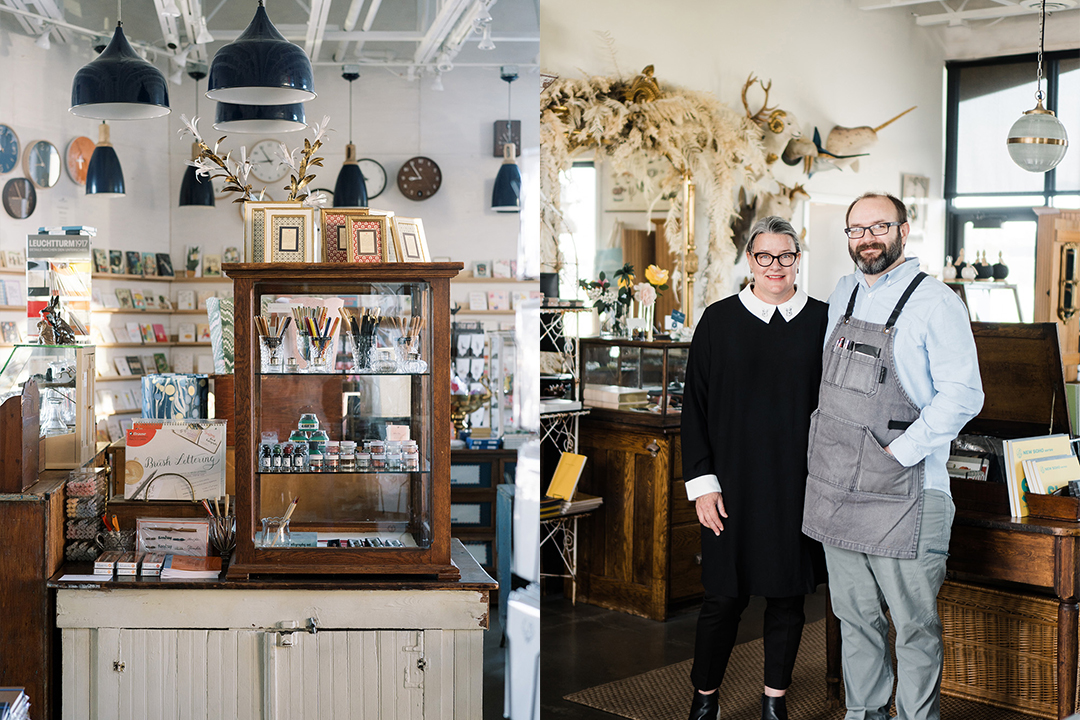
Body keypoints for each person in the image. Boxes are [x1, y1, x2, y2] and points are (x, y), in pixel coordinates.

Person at [802, 192, 984, 720]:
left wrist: (898, 452)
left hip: (908, 495)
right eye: (856, 229)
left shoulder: (937, 302)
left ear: (905, 231)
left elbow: (963, 396)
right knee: (855, 620)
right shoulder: (841, 295)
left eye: (880, 226)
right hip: (839, 491)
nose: (867, 238)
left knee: (914, 626)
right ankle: (864, 714)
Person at [682, 216, 830, 720]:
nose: (775, 266)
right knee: (722, 599)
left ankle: (775, 702)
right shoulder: (718, 320)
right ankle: (705, 700)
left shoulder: (823, 322)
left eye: (785, 255)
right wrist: (703, 486)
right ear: (749, 260)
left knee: (788, 599)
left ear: (797, 259)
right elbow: (694, 409)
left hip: (799, 486)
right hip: (731, 488)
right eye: (764, 256)